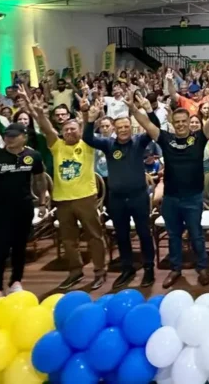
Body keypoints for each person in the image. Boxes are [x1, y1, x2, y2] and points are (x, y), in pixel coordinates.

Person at [135, 82, 209, 287]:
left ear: (189, 122)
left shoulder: (199, 138)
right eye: (177, 122)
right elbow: (147, 125)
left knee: (196, 236)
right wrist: (132, 108)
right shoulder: (165, 138)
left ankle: (202, 268)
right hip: (171, 198)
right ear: (172, 123)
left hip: (193, 198)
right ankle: (175, 269)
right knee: (174, 236)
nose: (181, 124)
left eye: (184, 121)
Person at [28, 93, 107, 291]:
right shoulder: (57, 146)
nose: (69, 132)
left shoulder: (87, 144)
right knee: (69, 240)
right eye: (66, 129)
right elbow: (47, 129)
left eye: (73, 129)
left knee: (94, 236)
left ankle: (99, 271)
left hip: (86, 198)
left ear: (79, 130)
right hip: (62, 200)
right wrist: (40, 113)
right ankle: (75, 271)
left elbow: (88, 126)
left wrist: (87, 112)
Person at [86, 95, 156, 289]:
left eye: (126, 126)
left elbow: (154, 128)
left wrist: (147, 110)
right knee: (122, 235)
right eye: (120, 127)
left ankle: (149, 268)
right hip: (116, 198)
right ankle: (127, 269)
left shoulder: (139, 141)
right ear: (114, 130)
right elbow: (87, 138)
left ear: (131, 128)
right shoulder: (108, 144)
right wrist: (90, 120)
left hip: (138, 197)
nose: (123, 130)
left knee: (144, 233)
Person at [0, 123, 47, 299]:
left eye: (14, 136)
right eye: (7, 136)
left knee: (20, 247)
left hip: (23, 208)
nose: (9, 139)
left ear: (24, 137)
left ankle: (16, 281)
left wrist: (43, 202)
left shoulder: (33, 156)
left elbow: (40, 180)